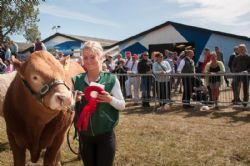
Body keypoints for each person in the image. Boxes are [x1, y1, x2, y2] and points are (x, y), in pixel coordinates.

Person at [72, 41, 125, 166]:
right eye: (85, 57)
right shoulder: (76, 80)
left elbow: (122, 105)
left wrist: (110, 99)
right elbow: (68, 108)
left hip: (105, 137)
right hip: (84, 137)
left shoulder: (111, 79)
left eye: (92, 57)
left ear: (100, 57)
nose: (88, 60)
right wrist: (74, 100)